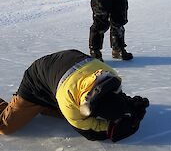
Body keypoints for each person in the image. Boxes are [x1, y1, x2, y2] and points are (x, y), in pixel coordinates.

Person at [0, 49, 149, 142]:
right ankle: (25, 103)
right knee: (5, 127)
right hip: (37, 82)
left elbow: (116, 97)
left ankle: (41, 107)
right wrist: (111, 129)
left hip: (67, 64)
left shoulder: (112, 77)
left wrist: (129, 108)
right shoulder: (68, 103)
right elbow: (89, 131)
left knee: (61, 113)